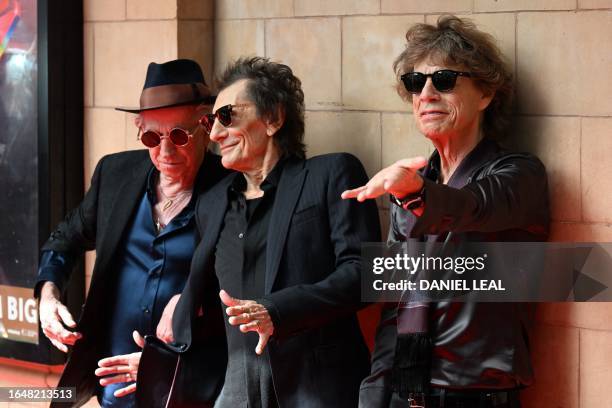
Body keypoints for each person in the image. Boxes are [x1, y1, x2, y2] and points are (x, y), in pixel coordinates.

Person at [343, 16, 550, 408]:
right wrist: (374, 396)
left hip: (475, 394)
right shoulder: (413, 181)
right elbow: (395, 304)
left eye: (443, 80)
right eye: (414, 82)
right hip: (407, 391)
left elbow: (472, 206)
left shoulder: (519, 174)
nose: (426, 93)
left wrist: (417, 194)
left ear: (486, 93)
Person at [161, 56, 381, 408]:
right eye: (209, 121)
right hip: (235, 393)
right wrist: (158, 360)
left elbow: (364, 275)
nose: (215, 134)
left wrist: (276, 310)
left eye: (226, 116)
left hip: (317, 392)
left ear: (274, 118)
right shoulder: (212, 202)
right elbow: (208, 306)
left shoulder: (331, 175)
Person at [35, 59, 230, 408]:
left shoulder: (232, 188)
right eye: (153, 137)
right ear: (139, 129)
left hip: (190, 388)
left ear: (206, 124)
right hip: (110, 390)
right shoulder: (115, 174)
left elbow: (248, 289)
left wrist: (189, 305)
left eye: (180, 136)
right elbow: (66, 238)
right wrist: (47, 297)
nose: (166, 152)